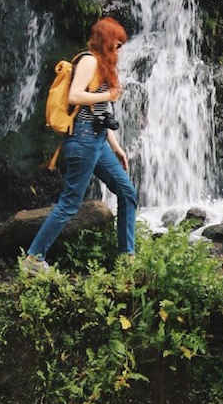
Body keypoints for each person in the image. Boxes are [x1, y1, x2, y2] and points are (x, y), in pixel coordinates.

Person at [21, 16, 137, 273]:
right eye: (117, 45)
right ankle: (33, 259)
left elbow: (101, 111)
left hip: (97, 140)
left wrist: (116, 147)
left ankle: (127, 259)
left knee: (127, 192)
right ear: (106, 42)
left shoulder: (103, 68)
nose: (119, 50)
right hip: (82, 139)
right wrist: (109, 94)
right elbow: (75, 95)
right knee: (70, 203)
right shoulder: (89, 60)